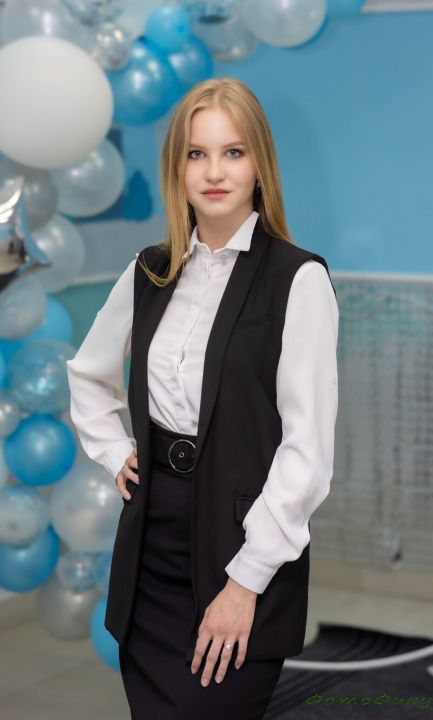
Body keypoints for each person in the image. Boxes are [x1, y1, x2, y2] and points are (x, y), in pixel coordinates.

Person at [66, 77, 339, 719]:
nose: (214, 172)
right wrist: (114, 451)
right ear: (178, 168)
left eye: (233, 152)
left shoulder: (298, 279)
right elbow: (88, 373)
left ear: (260, 165)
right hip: (149, 546)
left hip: (240, 550)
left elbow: (306, 454)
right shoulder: (149, 270)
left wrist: (245, 583)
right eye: (197, 154)